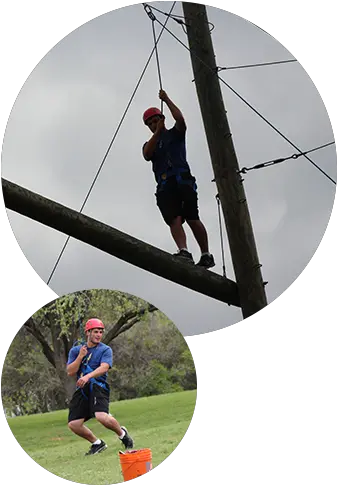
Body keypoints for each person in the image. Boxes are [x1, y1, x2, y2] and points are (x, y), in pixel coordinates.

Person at [142, 89, 215, 269]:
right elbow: (147, 154)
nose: (153, 124)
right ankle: (184, 251)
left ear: (162, 119)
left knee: (191, 217)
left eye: (155, 120)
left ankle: (206, 254)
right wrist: (157, 132)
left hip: (182, 180)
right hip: (165, 184)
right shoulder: (150, 143)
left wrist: (166, 100)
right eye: (149, 123)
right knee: (173, 218)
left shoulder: (176, 133)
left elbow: (181, 120)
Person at [67, 318, 134, 455]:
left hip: (98, 386)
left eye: (101, 332)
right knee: (74, 424)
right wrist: (80, 357)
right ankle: (97, 444)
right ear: (88, 332)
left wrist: (87, 376)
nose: (98, 335)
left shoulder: (105, 350)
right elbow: (70, 371)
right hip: (82, 389)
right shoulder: (76, 350)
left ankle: (122, 434)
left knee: (102, 417)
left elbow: (104, 368)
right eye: (95, 332)